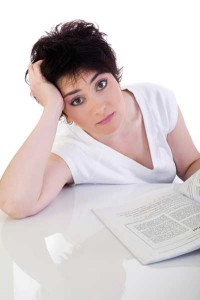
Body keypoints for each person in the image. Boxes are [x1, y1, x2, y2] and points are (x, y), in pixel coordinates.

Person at [0, 20, 200, 219]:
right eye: (77, 100)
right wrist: (51, 107)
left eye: (101, 84)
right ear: (65, 111)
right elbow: (15, 203)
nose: (99, 108)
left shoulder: (156, 100)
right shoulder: (72, 149)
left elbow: (190, 164)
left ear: (115, 75)